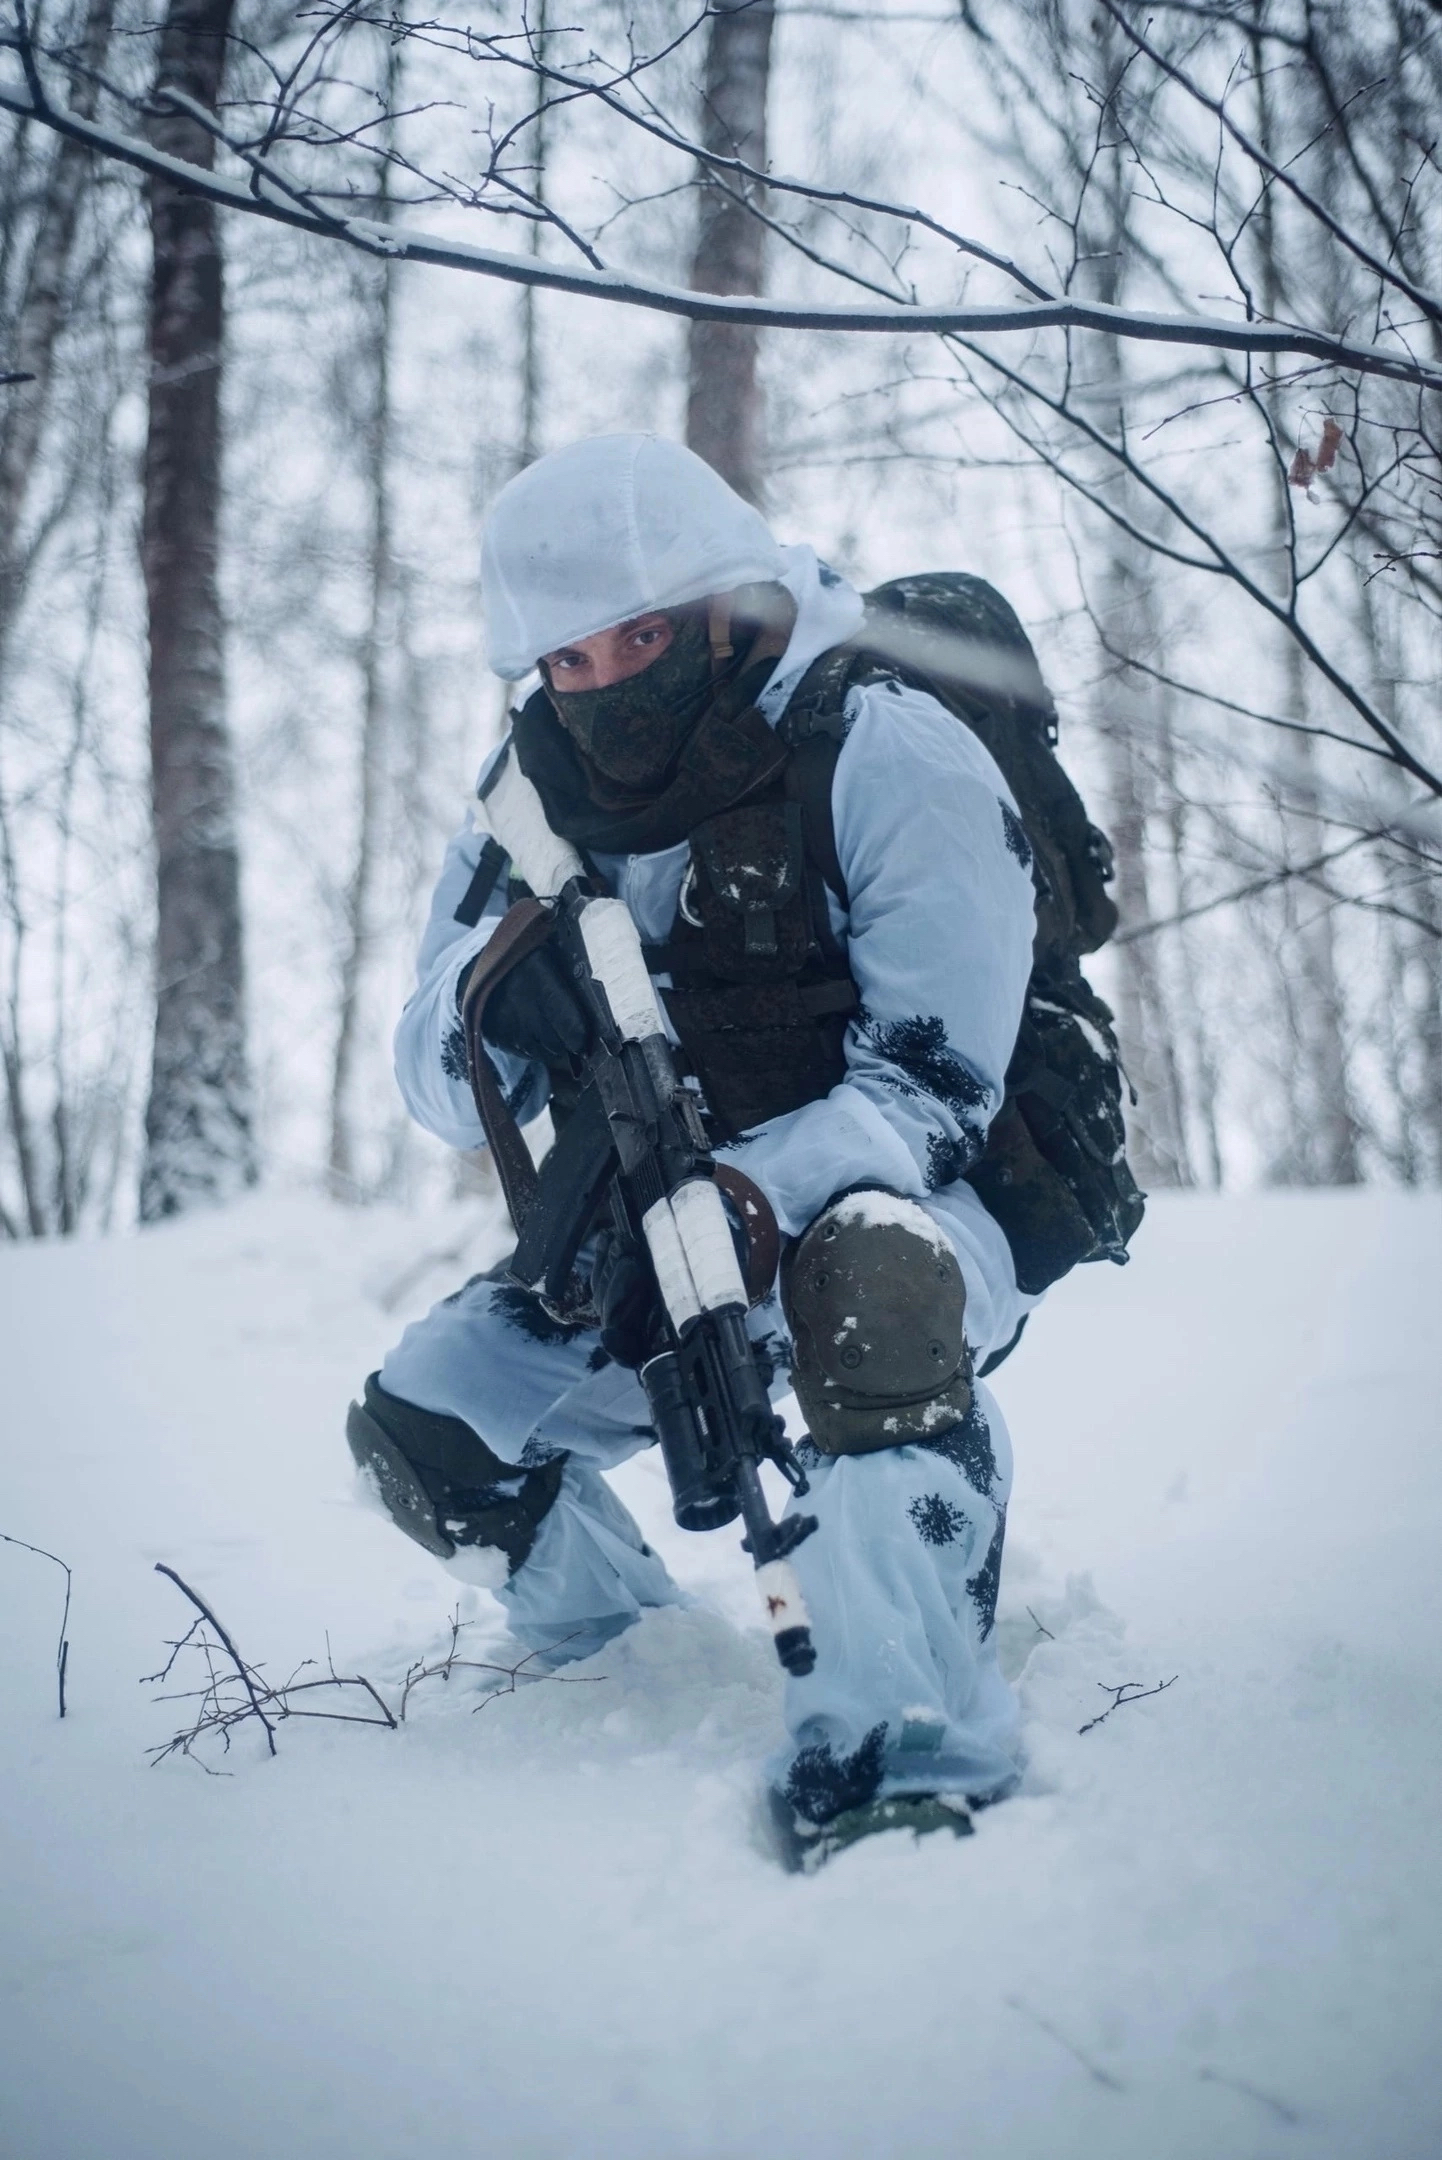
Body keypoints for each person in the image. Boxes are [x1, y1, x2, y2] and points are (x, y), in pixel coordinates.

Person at [347, 433, 1039, 1864]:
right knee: (427, 1421)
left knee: (868, 1287)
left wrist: (748, 1197)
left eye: (636, 639)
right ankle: (630, 1671)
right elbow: (428, 1075)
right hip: (654, 1231)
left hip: (919, 1204)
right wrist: (501, 989)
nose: (597, 688)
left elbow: (933, 1085)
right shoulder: (528, 795)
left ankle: (905, 1731)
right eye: (567, 665)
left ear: (722, 606)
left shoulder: (880, 738)